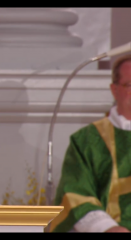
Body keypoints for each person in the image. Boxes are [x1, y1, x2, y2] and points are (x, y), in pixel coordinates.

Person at [50, 54, 131, 232]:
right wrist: (108, 228)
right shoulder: (88, 141)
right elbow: (74, 195)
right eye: (130, 85)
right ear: (114, 89)